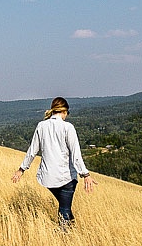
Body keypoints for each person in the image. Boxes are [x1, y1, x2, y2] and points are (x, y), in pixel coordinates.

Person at [12, 97, 95, 228]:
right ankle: (64, 237)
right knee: (65, 209)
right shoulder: (68, 127)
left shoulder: (41, 126)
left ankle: (73, 231)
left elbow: (32, 151)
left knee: (64, 206)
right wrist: (85, 174)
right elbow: (76, 155)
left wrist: (21, 170)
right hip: (66, 177)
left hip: (47, 177)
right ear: (65, 111)